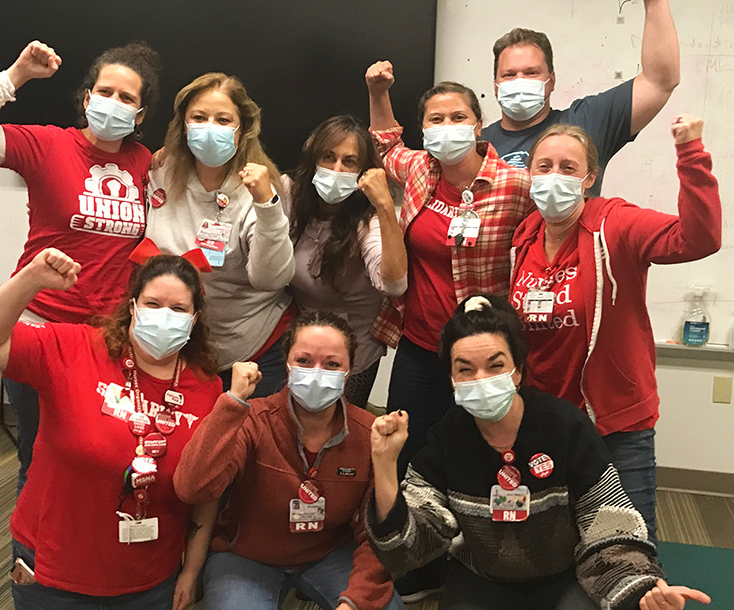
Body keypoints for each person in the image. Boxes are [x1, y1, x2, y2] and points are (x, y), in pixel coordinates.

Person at [367, 295, 712, 610]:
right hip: (482, 577)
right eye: (465, 369)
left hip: (564, 576)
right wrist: (384, 465)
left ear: (517, 371)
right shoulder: (446, 438)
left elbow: (609, 525)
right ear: (451, 379)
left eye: (495, 365)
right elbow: (407, 547)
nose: (481, 379)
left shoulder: (565, 427)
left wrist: (641, 591)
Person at [0, 40, 162, 493]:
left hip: (108, 338)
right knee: (39, 460)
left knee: (103, 456)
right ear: (86, 98)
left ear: (139, 116)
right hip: (41, 328)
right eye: (105, 92)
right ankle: (30, 560)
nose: (112, 103)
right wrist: (16, 75)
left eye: (126, 98)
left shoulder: (144, 163)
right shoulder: (47, 144)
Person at [0, 242, 221, 609]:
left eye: (178, 309)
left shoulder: (206, 389)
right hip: (54, 572)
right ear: (132, 307)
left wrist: (191, 572)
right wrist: (31, 279)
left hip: (147, 580)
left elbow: (205, 495)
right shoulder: (73, 348)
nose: (164, 316)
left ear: (194, 320)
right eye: (152, 304)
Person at [508, 116, 720, 541]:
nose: (554, 177)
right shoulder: (524, 237)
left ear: (590, 177)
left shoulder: (614, 225)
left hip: (615, 422)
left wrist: (691, 154)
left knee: (629, 542)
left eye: (568, 168)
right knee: (553, 538)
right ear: (529, 174)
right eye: (544, 166)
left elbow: (698, 239)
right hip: (545, 419)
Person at [364, 60, 532, 477]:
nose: (447, 126)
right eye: (435, 119)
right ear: (424, 130)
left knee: (485, 453)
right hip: (420, 348)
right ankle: (413, 535)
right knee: (410, 451)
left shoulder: (517, 185)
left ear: (479, 126)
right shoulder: (421, 169)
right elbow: (387, 145)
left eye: (459, 117)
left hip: (483, 351)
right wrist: (378, 91)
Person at [174, 311, 404, 610]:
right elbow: (193, 488)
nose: (317, 373)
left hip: (328, 554)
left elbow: (377, 535)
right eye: (304, 361)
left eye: (332, 364)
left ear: (349, 371)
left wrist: (354, 603)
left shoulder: (368, 434)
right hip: (245, 557)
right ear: (287, 364)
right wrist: (231, 404)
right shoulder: (252, 418)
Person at [146, 73, 295, 398]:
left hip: (253, 349)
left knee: (247, 444)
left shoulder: (267, 186)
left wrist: (266, 204)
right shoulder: (159, 174)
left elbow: (272, 278)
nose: (209, 127)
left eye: (223, 119)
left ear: (242, 130)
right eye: (198, 118)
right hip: (177, 346)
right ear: (183, 125)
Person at [482, 0, 680, 195]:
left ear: (551, 80)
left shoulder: (586, 122)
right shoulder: (477, 145)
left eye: (531, 73)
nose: (519, 81)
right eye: (509, 75)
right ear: (495, 86)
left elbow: (660, 81)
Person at [286, 115, 408, 408]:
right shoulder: (293, 194)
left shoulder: (369, 220)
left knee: (342, 434)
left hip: (353, 355)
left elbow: (394, 284)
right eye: (328, 157)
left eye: (349, 162)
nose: (336, 169)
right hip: (301, 344)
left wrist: (385, 206)